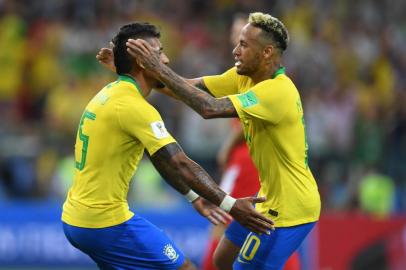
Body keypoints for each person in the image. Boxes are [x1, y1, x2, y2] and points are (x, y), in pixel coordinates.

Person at [61, 22, 274, 270]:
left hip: (76, 218)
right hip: (105, 222)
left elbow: (160, 158)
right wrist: (230, 204)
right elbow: (179, 161)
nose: (167, 59)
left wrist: (192, 195)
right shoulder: (135, 108)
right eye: (159, 53)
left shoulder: (110, 93)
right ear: (142, 61)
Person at [125, 12, 321, 269]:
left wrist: (157, 67)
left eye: (244, 44)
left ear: (267, 53)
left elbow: (209, 108)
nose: (235, 50)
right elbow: (182, 87)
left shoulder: (278, 91)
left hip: (289, 210)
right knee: (221, 258)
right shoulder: (243, 77)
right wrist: (134, 71)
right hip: (267, 198)